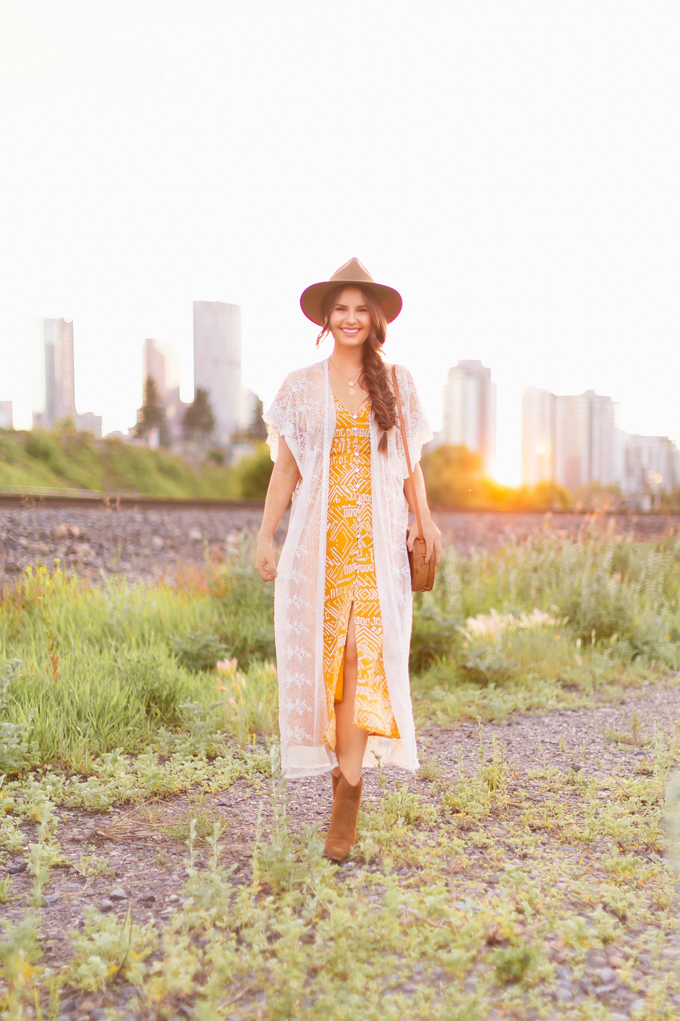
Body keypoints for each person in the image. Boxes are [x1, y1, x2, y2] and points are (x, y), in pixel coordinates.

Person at [255, 257, 441, 862]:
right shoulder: (299, 386)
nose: (351, 318)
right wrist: (265, 536)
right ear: (326, 318)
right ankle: (342, 771)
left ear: (376, 319)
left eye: (362, 309)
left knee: (363, 653)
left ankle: (350, 793)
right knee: (329, 665)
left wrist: (424, 519)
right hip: (318, 544)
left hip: (377, 544)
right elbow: (285, 471)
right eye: (341, 309)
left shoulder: (398, 383)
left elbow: (410, 466)